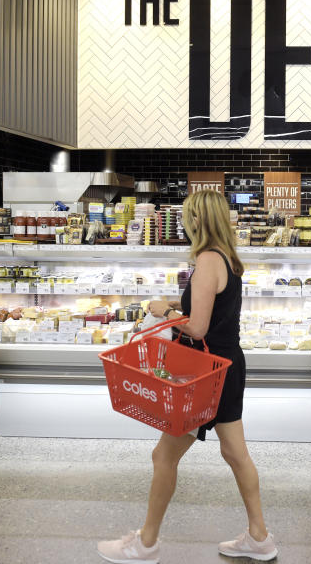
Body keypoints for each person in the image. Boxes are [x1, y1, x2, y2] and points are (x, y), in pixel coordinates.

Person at [98, 190, 277, 563]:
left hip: (204, 374)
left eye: (187, 216)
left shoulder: (207, 259)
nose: (183, 222)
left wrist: (164, 314)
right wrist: (176, 304)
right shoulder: (225, 258)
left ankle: (146, 544)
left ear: (199, 220)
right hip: (227, 366)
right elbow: (207, 305)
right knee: (235, 453)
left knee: (164, 456)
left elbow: (198, 326)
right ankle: (259, 537)